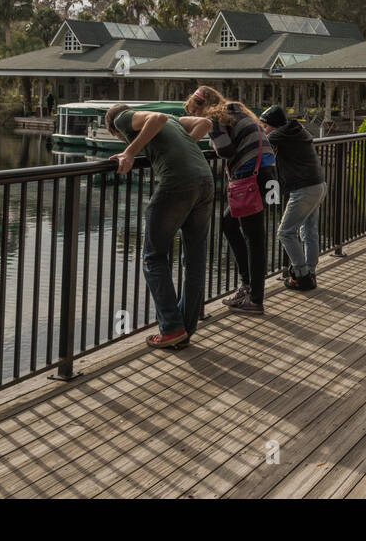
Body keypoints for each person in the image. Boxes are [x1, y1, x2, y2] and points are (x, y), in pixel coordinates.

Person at [105, 102, 214, 349]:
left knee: (153, 256)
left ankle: (172, 328)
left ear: (115, 130)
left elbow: (156, 118)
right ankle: (184, 329)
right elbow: (204, 123)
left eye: (120, 138)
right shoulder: (175, 120)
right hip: (205, 179)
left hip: (177, 183)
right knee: (195, 258)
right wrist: (183, 148)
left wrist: (130, 152)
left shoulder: (122, 118)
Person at [182, 86, 277, 314]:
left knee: (254, 239)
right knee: (229, 223)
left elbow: (225, 151)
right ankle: (248, 286)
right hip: (267, 173)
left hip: (249, 177)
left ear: (202, 107)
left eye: (195, 112)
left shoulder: (214, 117)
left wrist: (210, 142)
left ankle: (255, 299)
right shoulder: (237, 110)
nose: (196, 118)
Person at [259, 105, 326, 291]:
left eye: (265, 126)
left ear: (273, 126)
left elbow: (259, 143)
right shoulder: (296, 130)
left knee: (285, 232)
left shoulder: (277, 135)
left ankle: (302, 275)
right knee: (309, 230)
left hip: (304, 188)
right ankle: (310, 273)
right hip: (319, 184)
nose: (264, 129)